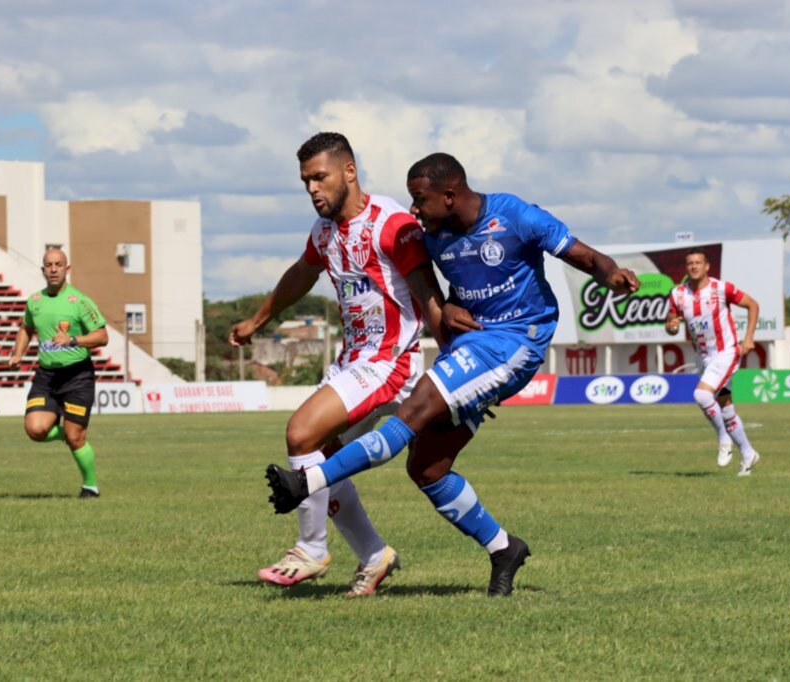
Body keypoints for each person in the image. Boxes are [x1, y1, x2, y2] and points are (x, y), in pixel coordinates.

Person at [265, 152, 641, 596]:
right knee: (428, 468)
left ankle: (306, 481)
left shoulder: (516, 216)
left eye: (420, 199)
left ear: (450, 194)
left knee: (414, 409)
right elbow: (430, 291)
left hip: (517, 341)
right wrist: (450, 314)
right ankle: (504, 548)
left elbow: (585, 255)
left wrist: (612, 274)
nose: (414, 210)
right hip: (470, 349)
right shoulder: (434, 235)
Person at [231, 132, 447, 597]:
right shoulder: (324, 232)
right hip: (353, 362)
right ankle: (375, 557)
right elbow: (301, 275)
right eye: (306, 180)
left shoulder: (391, 224)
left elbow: (430, 297)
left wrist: (457, 366)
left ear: (349, 171)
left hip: (389, 362)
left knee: (300, 434)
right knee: (324, 463)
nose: (312, 189)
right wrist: (258, 319)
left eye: (320, 177)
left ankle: (311, 549)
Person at [8, 247, 109, 498]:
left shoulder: (80, 302)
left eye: (58, 264)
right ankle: (74, 434)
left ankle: (90, 485)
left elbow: (102, 336)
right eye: (49, 265)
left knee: (76, 439)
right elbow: (26, 328)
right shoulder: (35, 301)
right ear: (43, 270)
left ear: (67, 269)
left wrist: (73, 340)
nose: (53, 269)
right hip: (47, 376)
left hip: (77, 377)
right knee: (35, 430)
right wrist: (18, 352)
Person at [664, 248, 761, 475]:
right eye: (690, 263)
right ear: (686, 268)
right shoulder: (678, 294)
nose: (694, 266)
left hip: (726, 351)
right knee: (726, 408)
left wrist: (748, 338)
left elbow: (752, 305)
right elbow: (671, 323)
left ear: (707, 266)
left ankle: (723, 438)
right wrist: (671, 326)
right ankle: (748, 454)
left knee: (701, 395)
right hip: (704, 357)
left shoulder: (721, 288)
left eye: (698, 262)